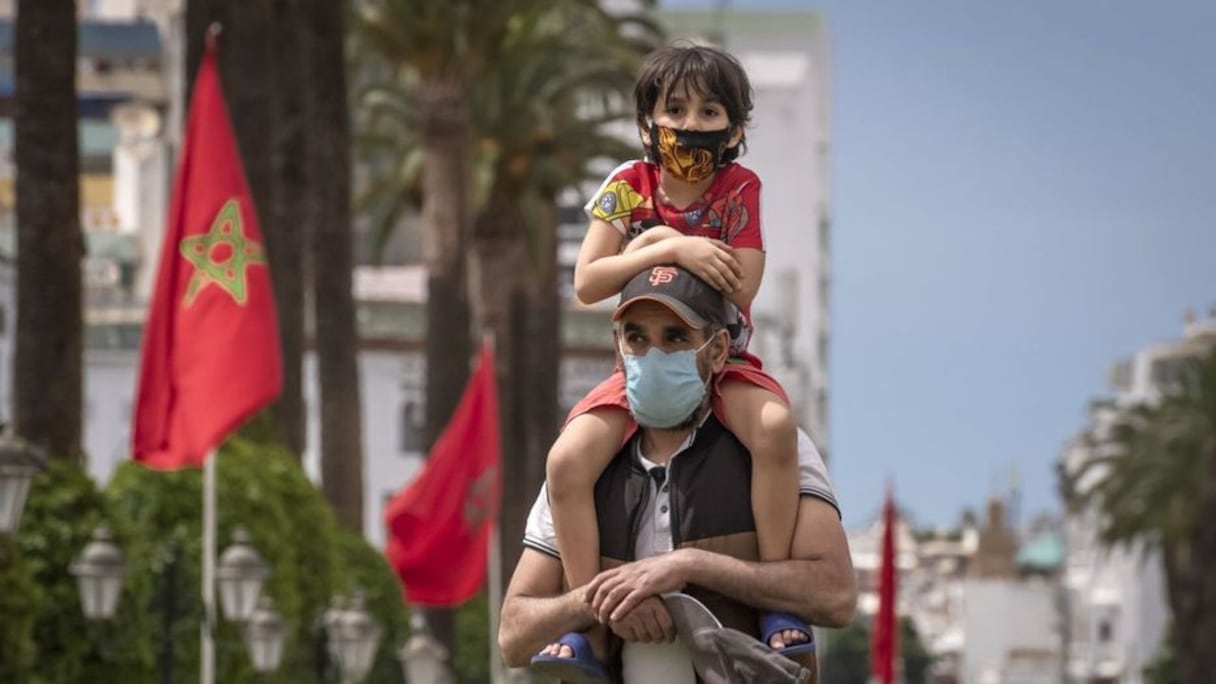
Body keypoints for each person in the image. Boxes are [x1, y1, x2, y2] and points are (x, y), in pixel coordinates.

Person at [546, 43, 806, 664]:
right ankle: (586, 617)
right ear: (648, 123)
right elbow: (587, 281)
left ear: (735, 129)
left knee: (773, 429)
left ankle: (778, 599)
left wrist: (672, 247)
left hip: (720, 360)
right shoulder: (625, 187)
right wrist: (669, 244)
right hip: (639, 365)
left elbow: (743, 286)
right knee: (566, 463)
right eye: (676, 108)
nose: (690, 124)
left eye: (709, 111)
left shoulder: (741, 187)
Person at [501, 265, 857, 682]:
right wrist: (605, 600)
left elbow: (835, 594)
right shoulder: (583, 467)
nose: (653, 356)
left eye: (675, 338)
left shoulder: (773, 445)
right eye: (637, 338)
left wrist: (690, 566)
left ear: (719, 349)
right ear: (619, 350)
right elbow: (513, 634)